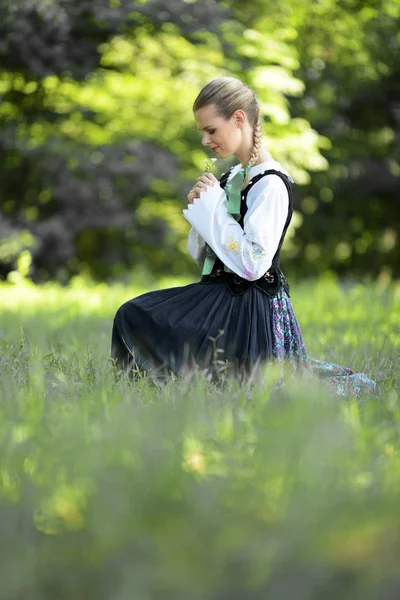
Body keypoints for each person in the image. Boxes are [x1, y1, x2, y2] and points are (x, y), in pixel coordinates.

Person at [111, 77, 376, 398]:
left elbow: (252, 264)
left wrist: (213, 210)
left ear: (238, 119)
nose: (206, 141)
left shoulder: (271, 184)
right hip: (217, 295)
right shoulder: (232, 177)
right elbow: (203, 256)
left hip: (251, 306)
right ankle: (142, 397)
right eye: (202, 133)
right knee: (135, 314)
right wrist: (201, 208)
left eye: (211, 130)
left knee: (252, 391)